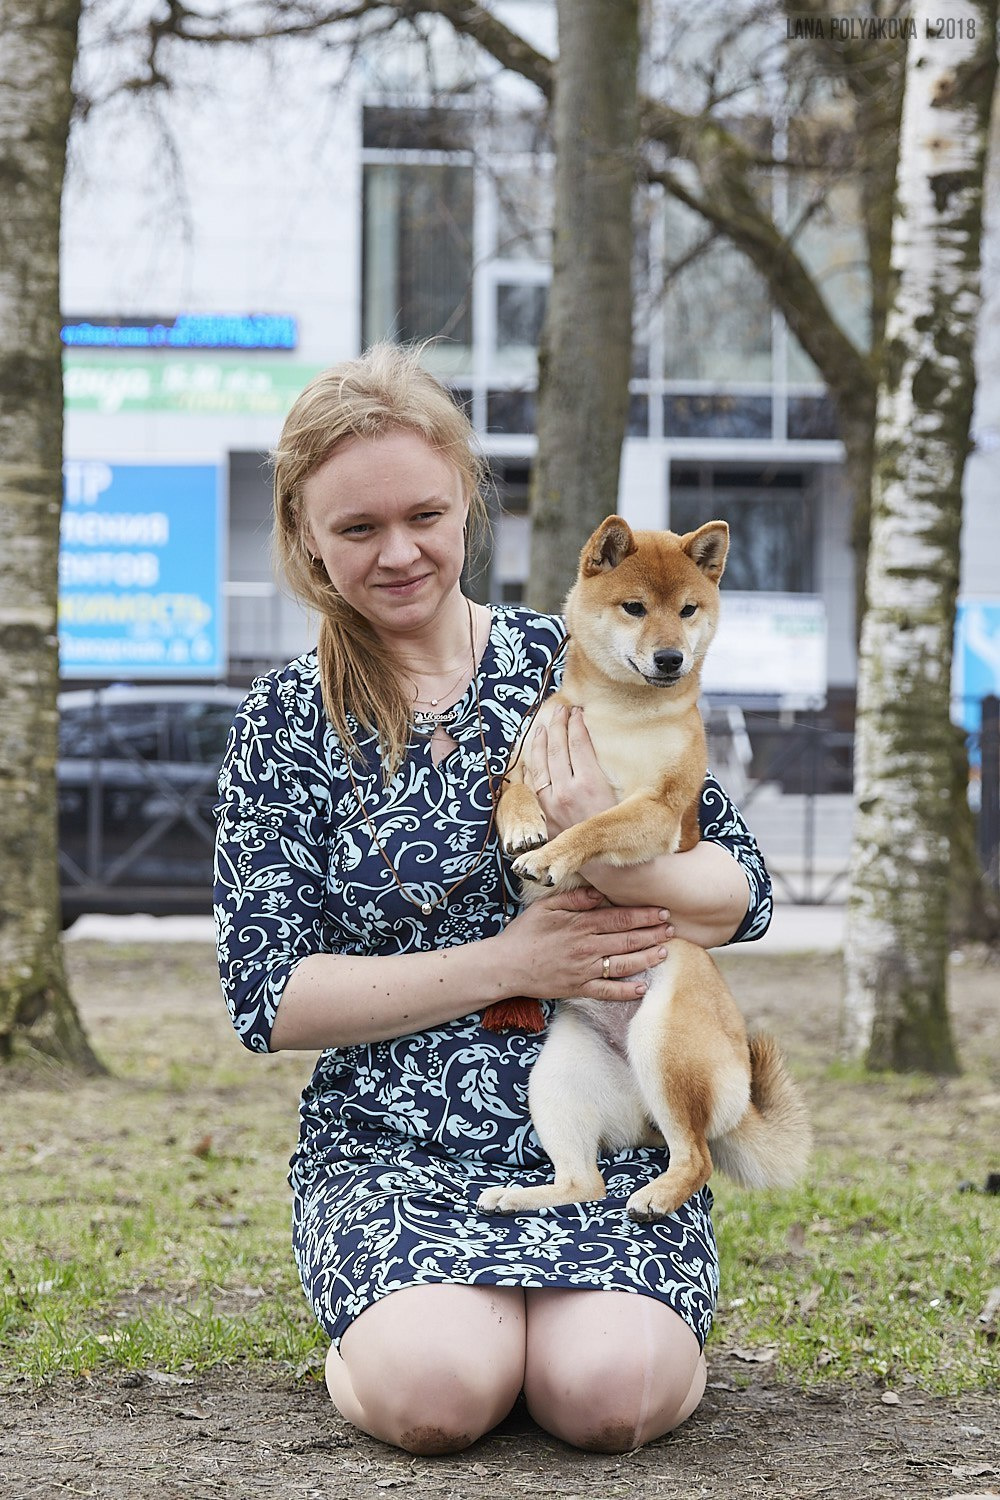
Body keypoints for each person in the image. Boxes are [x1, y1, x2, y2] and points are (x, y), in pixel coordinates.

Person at [214, 343, 772, 1457]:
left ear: (468, 496)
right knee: (438, 1398)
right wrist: (512, 963)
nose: (400, 551)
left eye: (424, 511)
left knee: (607, 1400)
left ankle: (586, 1322)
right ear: (305, 537)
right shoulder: (282, 725)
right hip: (395, 1145)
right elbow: (269, 999)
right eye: (357, 527)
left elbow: (737, 892)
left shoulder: (577, 658)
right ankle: (400, 1333)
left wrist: (617, 862)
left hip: (608, 1132)